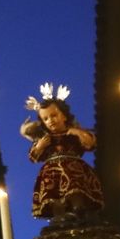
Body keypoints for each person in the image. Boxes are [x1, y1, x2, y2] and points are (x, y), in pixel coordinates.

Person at [20, 84, 105, 222]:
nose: (50, 121)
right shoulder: (45, 139)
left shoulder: (73, 134)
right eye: (46, 118)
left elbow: (90, 144)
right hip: (51, 171)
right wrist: (40, 146)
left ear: (64, 116)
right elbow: (33, 157)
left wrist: (77, 132)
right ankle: (59, 216)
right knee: (52, 193)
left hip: (73, 166)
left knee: (75, 184)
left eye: (54, 115)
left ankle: (79, 208)